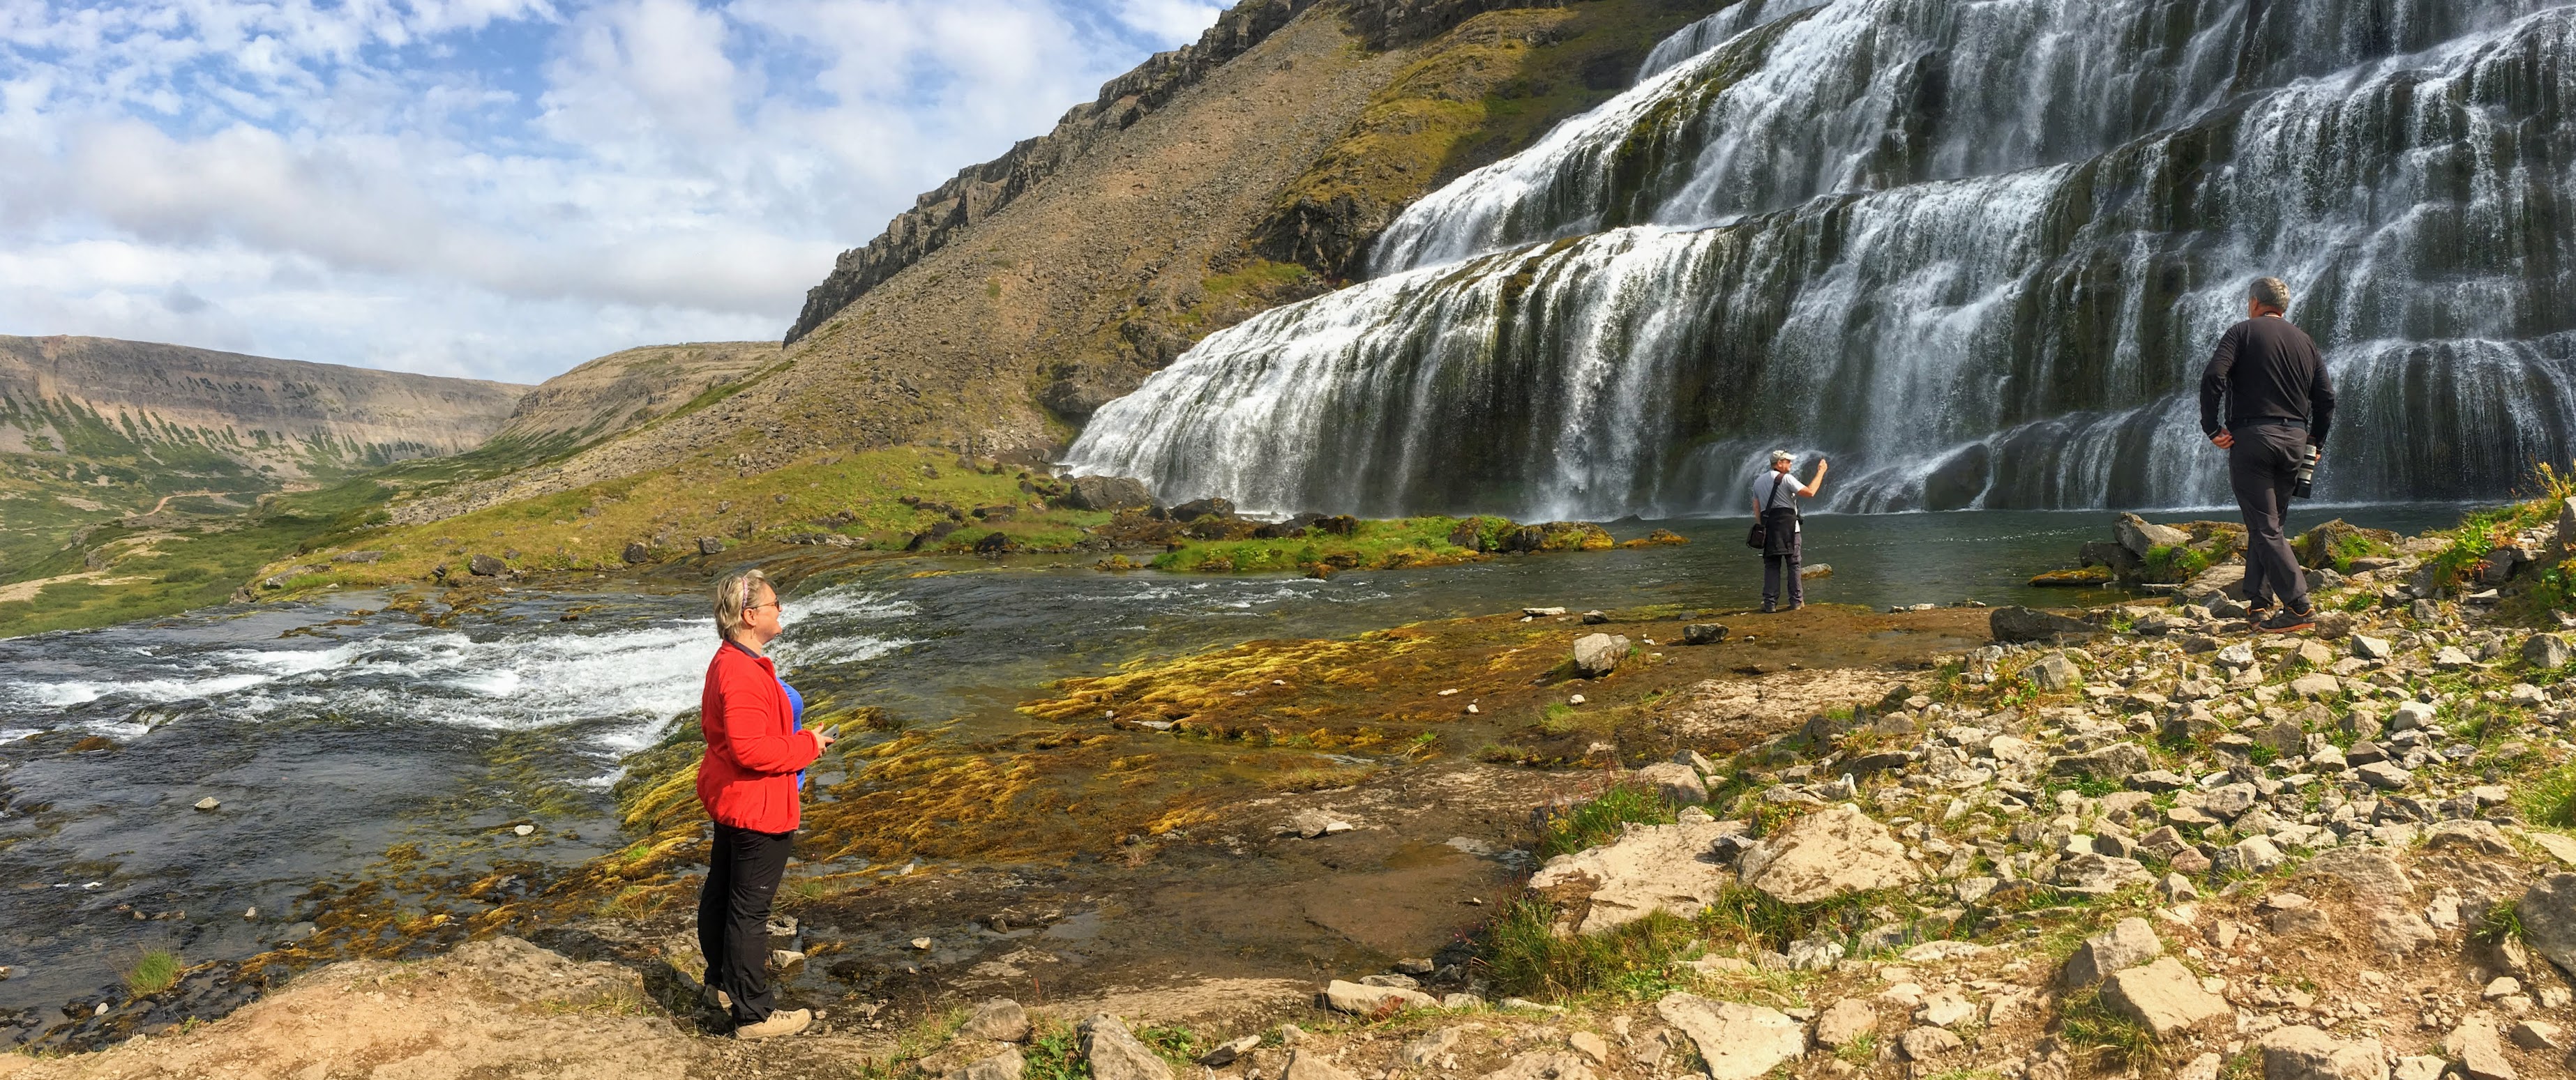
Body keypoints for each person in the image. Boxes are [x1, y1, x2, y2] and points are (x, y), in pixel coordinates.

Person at [695, 568, 834, 1040]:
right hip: (757, 806)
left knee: (724, 894)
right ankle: (753, 1014)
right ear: (751, 615)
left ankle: (718, 983)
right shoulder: (740, 671)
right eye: (776, 605)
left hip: (735, 798)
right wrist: (808, 745)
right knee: (748, 910)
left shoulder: (730, 659)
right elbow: (751, 750)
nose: (781, 611)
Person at [2200, 276, 2336, 634]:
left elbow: (2214, 374)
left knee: (2264, 526)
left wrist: (2211, 427)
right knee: (2269, 526)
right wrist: (2315, 444)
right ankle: (2259, 605)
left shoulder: (2241, 332)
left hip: (2254, 438)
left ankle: (2300, 608)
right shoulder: (2306, 341)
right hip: (2294, 439)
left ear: (2255, 303)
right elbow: (2326, 399)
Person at [1751, 450, 1827, 613]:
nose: (1791, 464)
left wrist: (1762, 527)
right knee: (1794, 564)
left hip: (1769, 527)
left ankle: (1770, 604)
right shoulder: (1786, 479)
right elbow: (1810, 492)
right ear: (1779, 463)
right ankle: (1796, 602)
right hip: (1790, 528)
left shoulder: (1758, 482)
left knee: (1771, 565)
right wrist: (1821, 472)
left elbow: (1757, 508)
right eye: (1788, 461)